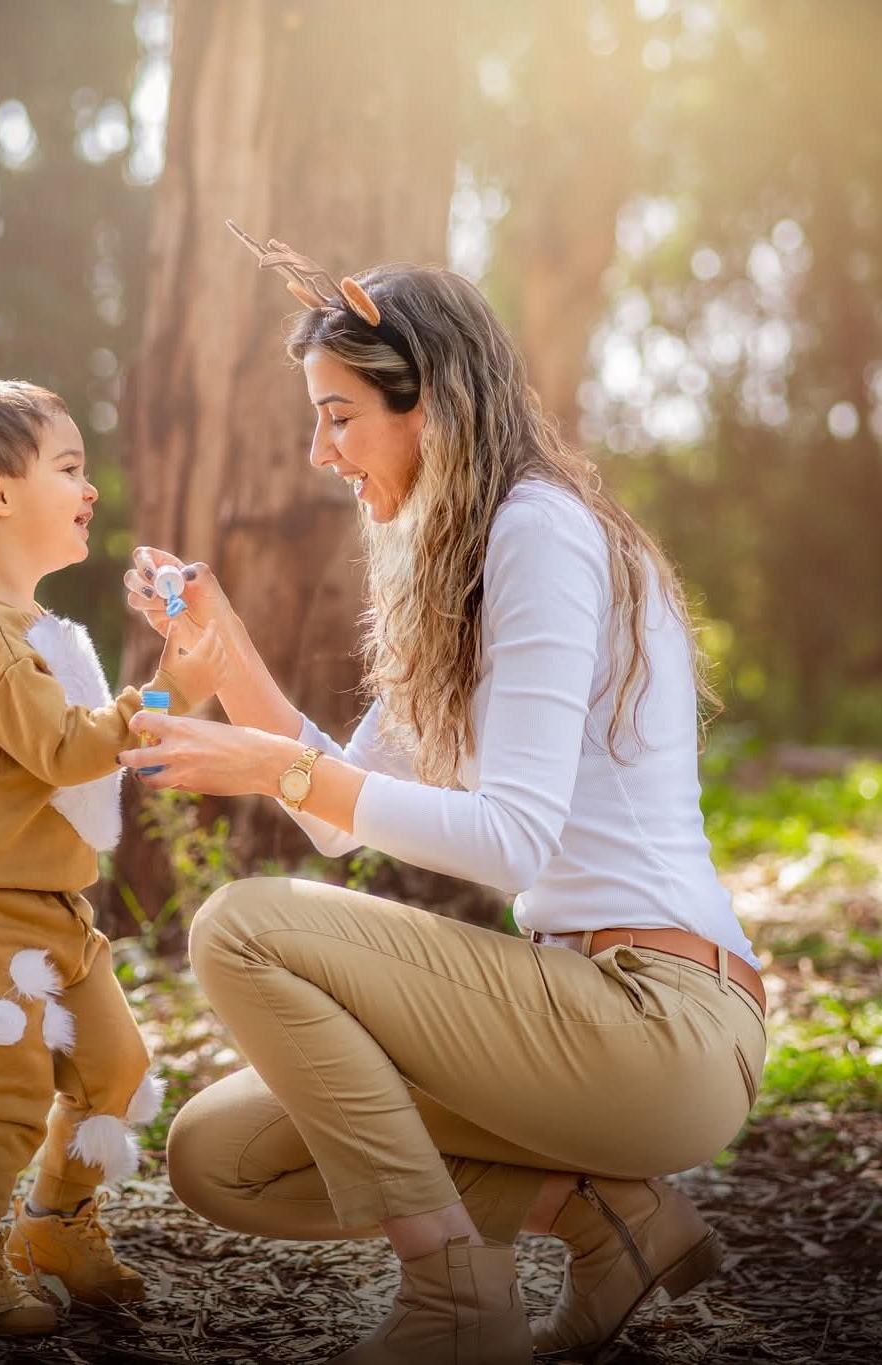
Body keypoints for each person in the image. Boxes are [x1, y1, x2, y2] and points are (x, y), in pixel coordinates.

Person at [116, 233, 767, 1365]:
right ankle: (607, 1223)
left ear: (431, 405)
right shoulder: (463, 556)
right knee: (220, 1154)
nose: (319, 451)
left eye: (338, 416)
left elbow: (513, 843)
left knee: (239, 927)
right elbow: (334, 815)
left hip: (662, 1022)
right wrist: (228, 659)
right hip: (574, 1015)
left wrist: (271, 767)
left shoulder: (538, 530)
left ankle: (456, 1295)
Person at [0, 379, 224, 1335]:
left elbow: (85, 758)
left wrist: (169, 691)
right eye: (70, 468)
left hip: (54, 911)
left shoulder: (36, 631)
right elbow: (68, 748)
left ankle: (56, 1224)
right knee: (8, 1099)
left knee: (115, 1067)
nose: (91, 487)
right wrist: (163, 691)